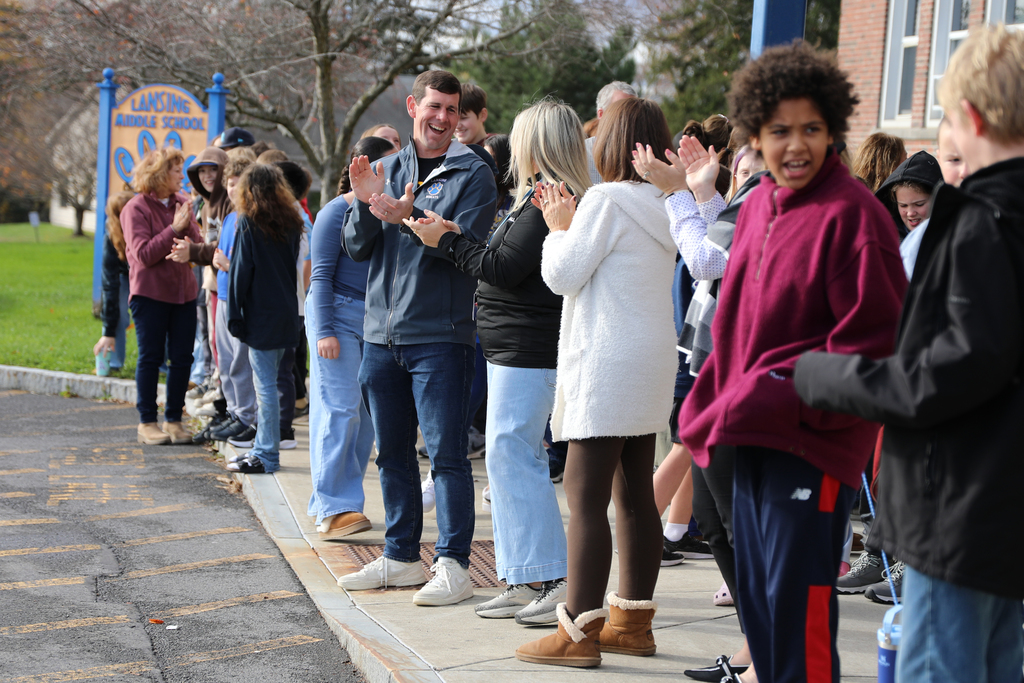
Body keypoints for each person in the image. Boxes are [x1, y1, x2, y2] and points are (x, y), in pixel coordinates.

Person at [793, 25, 1024, 683]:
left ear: (971, 117)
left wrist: (821, 373)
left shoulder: (982, 221)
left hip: (959, 505)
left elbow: (946, 374)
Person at [679, 43, 907, 683]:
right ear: (756, 136)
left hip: (811, 444)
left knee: (798, 623)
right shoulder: (758, 208)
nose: (797, 145)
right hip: (746, 433)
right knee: (763, 612)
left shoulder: (854, 216)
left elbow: (875, 349)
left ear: (833, 128)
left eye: (812, 128)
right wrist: (710, 405)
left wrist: (785, 389)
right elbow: (733, 326)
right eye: (780, 131)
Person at [407, 99, 590, 626]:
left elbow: (502, 269)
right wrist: (456, 237)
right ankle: (522, 574)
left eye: (523, 134)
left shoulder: (551, 196)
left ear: (541, 142)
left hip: (528, 349)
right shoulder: (533, 195)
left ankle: (553, 577)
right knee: (508, 461)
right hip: (511, 347)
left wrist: (448, 240)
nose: (514, 142)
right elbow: (498, 259)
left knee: (516, 458)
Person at [514, 96, 677, 668]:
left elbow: (562, 274)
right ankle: (631, 622)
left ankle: (577, 632)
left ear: (611, 143)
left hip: (609, 360)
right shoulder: (667, 201)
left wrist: (558, 226)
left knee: (584, 496)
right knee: (635, 494)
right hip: (653, 359)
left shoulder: (606, 200)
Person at [337, 70, 497, 606]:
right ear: (413, 107)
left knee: (447, 456)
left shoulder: (474, 172)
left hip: (441, 337)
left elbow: (467, 246)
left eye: (452, 110)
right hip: (380, 336)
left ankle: (452, 564)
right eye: (434, 106)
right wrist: (364, 202)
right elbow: (357, 248)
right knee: (392, 455)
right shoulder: (384, 168)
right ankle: (401, 558)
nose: (443, 118)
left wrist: (409, 219)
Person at [633, 133, 760, 682]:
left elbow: (707, 258)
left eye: (755, 144)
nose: (743, 155)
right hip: (715, 370)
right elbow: (721, 248)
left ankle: (766, 654)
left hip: (742, 381)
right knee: (713, 519)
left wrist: (675, 196)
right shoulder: (751, 194)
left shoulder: (768, 196)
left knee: (737, 524)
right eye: (746, 145)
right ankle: (757, 646)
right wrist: (704, 195)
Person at [305, 137, 396, 539]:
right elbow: (319, 277)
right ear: (367, 168)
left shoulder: (387, 211)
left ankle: (333, 502)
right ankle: (334, 508)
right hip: (335, 316)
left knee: (364, 420)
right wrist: (324, 331)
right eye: (390, 165)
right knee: (340, 409)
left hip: (371, 320)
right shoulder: (333, 213)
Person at [224, 163, 304, 474]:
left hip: (261, 315)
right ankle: (262, 448)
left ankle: (266, 455)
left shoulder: (249, 222)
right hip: (286, 313)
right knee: (272, 385)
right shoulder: (292, 222)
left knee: (265, 388)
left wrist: (234, 314)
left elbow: (240, 273)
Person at [121, 147, 203, 445]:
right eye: (176, 170)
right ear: (158, 174)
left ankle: (173, 420)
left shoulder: (183, 203)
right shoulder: (136, 208)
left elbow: (197, 245)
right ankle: (146, 422)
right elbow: (143, 254)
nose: (182, 176)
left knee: (182, 358)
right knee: (151, 357)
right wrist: (174, 228)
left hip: (184, 294)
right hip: (150, 295)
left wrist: (190, 227)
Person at [94, 191, 135, 374]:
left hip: (148, 274)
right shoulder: (111, 236)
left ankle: (161, 365)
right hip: (123, 274)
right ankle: (114, 362)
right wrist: (108, 330)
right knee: (118, 313)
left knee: (154, 314)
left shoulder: (145, 226)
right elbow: (109, 284)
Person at [874, 150, 942, 240]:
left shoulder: (954, 236)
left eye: (919, 204)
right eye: (903, 205)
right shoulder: (886, 239)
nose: (910, 213)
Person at [585, 81, 637, 184]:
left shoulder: (643, 153)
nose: (628, 117)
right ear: (601, 114)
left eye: (634, 110)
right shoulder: (582, 153)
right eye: (620, 110)